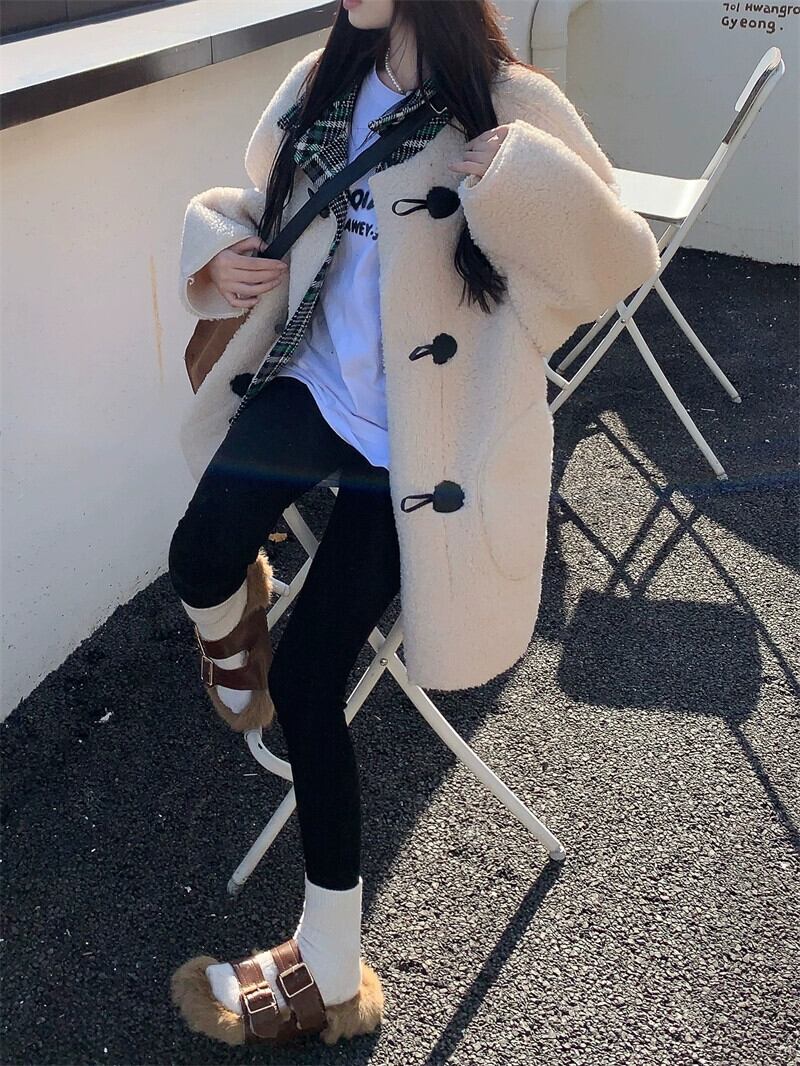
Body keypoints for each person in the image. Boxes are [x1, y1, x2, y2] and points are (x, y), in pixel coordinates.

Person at [168, 0, 661, 1049]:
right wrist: (218, 258)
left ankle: (329, 968)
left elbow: (620, 261)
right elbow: (250, 199)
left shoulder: (511, 100)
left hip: (418, 445)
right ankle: (237, 620)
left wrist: (520, 177)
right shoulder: (321, 80)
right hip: (313, 386)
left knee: (311, 679)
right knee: (197, 552)